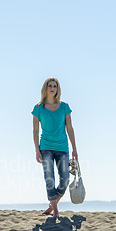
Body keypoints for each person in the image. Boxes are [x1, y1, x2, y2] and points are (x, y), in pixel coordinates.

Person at [32, 77, 78, 220]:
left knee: (64, 179)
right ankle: (56, 210)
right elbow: (35, 130)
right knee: (49, 178)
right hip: (45, 147)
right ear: (45, 88)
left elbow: (69, 128)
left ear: (57, 89)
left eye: (55, 86)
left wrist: (74, 149)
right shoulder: (38, 108)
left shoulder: (64, 107)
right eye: (50, 86)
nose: (52, 88)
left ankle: (52, 205)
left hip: (62, 147)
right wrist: (37, 150)